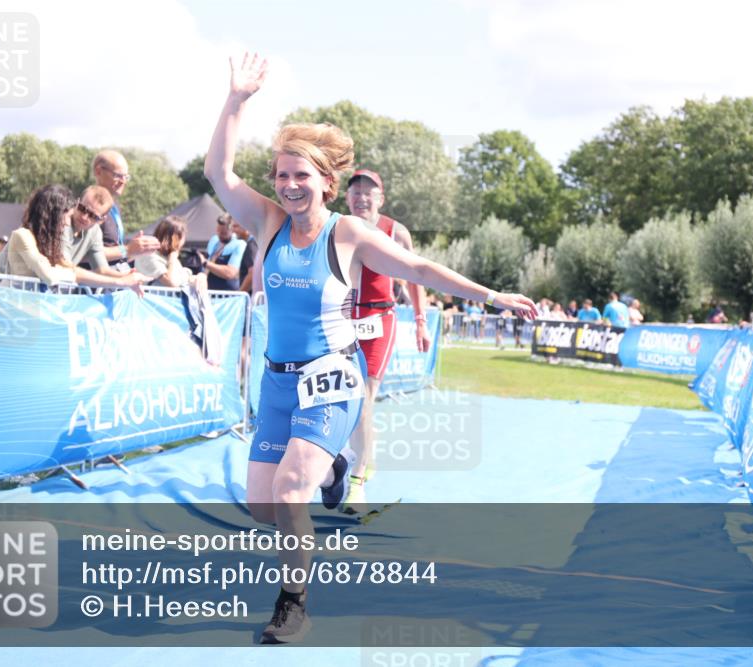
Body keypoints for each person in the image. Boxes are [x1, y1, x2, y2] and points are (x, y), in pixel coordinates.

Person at [204, 52, 536, 645]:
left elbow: (419, 268)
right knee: (262, 506)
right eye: (281, 176)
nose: (289, 185)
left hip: (331, 378)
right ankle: (334, 466)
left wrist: (492, 296)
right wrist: (237, 99)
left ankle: (293, 604)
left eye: (301, 176)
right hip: (278, 383)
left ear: (326, 184)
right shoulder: (268, 222)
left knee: (289, 493)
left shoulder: (348, 233)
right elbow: (218, 172)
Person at [343, 168, 431, 513]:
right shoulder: (337, 226)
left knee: (363, 398)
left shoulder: (396, 232)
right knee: (344, 397)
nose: (361, 198)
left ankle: (356, 483)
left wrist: (421, 321)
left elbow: (416, 277)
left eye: (369, 192)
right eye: (356, 192)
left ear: (381, 198)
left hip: (379, 319)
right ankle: (365, 454)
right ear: (347, 197)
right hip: (343, 319)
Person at [2, 184, 147, 294]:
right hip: (7, 297)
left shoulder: (93, 232)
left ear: (102, 220)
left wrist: (126, 277)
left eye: (93, 216)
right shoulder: (48, 228)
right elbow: (65, 269)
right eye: (82, 209)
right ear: (77, 203)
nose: (84, 217)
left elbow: (101, 269)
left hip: (32, 298)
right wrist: (126, 255)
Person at [91, 150, 159, 269]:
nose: (123, 181)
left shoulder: (114, 206)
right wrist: (127, 249)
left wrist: (136, 250)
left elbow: (116, 252)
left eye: (126, 177)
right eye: (118, 176)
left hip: (116, 275)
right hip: (98, 280)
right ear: (98, 171)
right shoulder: (90, 205)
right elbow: (86, 252)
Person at [135, 215, 208, 290]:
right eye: (182, 238)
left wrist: (199, 277)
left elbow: (182, 280)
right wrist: (172, 259)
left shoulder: (169, 256)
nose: (182, 243)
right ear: (176, 238)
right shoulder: (149, 255)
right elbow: (172, 283)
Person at [203, 212, 247, 291]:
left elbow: (230, 273)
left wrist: (206, 263)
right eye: (218, 231)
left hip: (229, 295)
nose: (220, 235)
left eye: (224, 233)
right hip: (210, 292)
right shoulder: (214, 240)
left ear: (232, 229)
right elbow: (205, 268)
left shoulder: (239, 244)